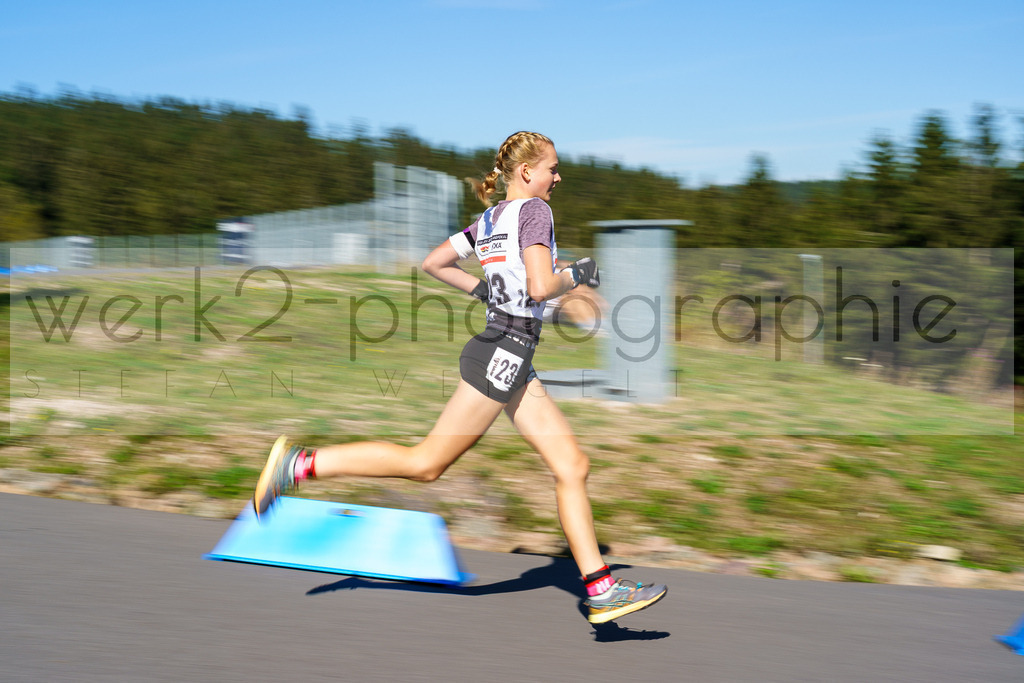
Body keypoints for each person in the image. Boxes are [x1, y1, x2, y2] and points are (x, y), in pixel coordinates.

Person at [252, 131, 667, 624]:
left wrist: (488, 293)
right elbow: (539, 285)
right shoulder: (535, 211)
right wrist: (577, 275)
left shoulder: (490, 219)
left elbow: (435, 263)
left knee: (572, 465)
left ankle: (601, 589)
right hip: (503, 354)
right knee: (426, 464)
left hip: (509, 353)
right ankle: (299, 465)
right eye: (553, 168)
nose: (559, 176)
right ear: (527, 172)